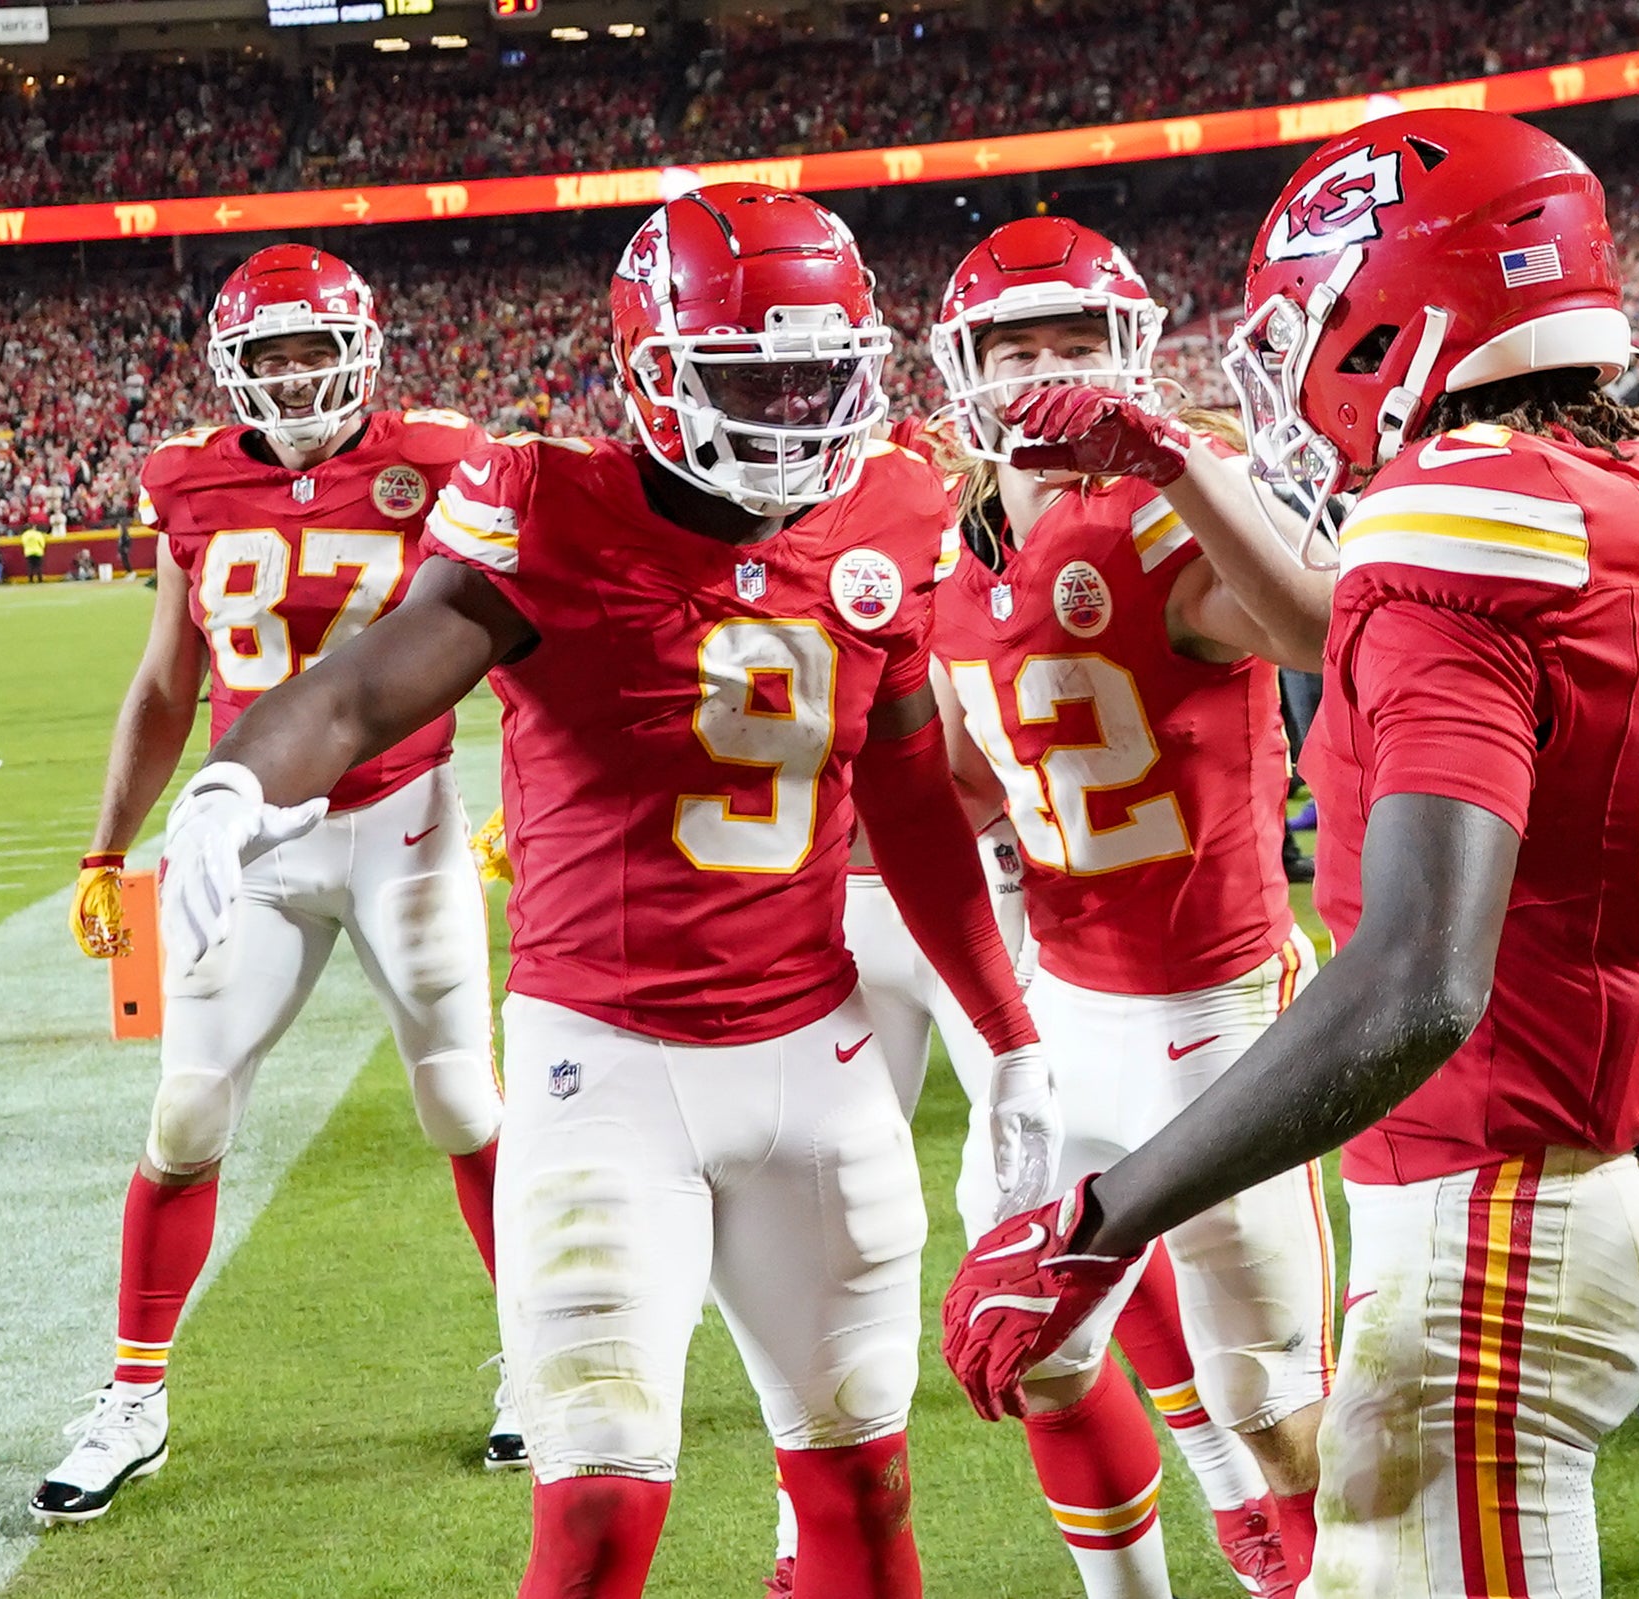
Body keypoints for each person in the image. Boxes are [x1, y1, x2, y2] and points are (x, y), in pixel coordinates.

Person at [155, 185, 1049, 1599]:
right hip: (603, 1065)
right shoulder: (549, 506)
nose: (795, 414)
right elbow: (363, 687)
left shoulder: (888, 506)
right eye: (750, 378)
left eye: (818, 375)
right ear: (652, 371)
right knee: (594, 1521)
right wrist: (235, 783)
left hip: (814, 1062)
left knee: (865, 1495)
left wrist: (1010, 1038)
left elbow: (909, 796)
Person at [941, 109, 1639, 1599]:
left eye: (1309, 320)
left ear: (1397, 310)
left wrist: (1099, 1220)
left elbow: (1416, 980)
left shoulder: (1464, 509)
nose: (1294, 362)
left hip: (1500, 1200)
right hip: (1576, 1158)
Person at [32, 245, 513, 1527]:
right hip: (238, 842)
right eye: (272, 356)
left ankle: (536, 1353)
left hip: (403, 819)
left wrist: (526, 797)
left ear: (362, 352)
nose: (296, 378)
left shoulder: (442, 461)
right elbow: (165, 682)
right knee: (187, 1110)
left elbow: (517, 635)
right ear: (230, 367)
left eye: (316, 351)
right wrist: (104, 848)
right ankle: (135, 1399)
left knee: (464, 1100)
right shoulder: (187, 479)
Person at [913, 215, 1337, 1598]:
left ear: (1130, 355)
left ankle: (1303, 1566)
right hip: (1063, 1009)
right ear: (965, 370)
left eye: (1075, 341)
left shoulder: (1172, 514)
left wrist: (1174, 463)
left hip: (1218, 1016)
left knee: (1272, 1401)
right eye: (1017, 348)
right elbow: (966, 770)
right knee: (1030, 1346)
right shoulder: (950, 547)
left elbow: (1316, 631)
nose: (1048, 371)